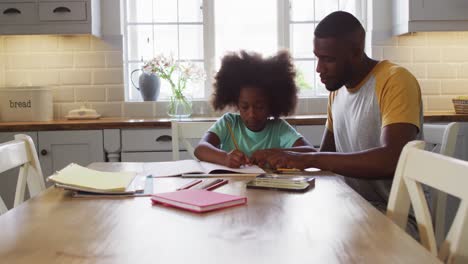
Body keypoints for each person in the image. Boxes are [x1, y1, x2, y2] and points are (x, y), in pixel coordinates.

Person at [252, 11, 423, 210]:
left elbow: (393, 160)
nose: (319, 68)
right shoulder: (337, 92)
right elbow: (326, 154)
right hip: (350, 206)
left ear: (356, 53)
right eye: (317, 57)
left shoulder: (395, 80)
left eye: (328, 59)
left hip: (394, 218)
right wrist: (281, 154)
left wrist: (305, 158)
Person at [194, 50, 314, 168]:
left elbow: (311, 152)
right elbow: (200, 149)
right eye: (245, 107)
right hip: (231, 187)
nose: (251, 114)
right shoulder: (228, 123)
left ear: (271, 104)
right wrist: (225, 158)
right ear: (236, 104)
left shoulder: (279, 128)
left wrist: (275, 153)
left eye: (260, 107)